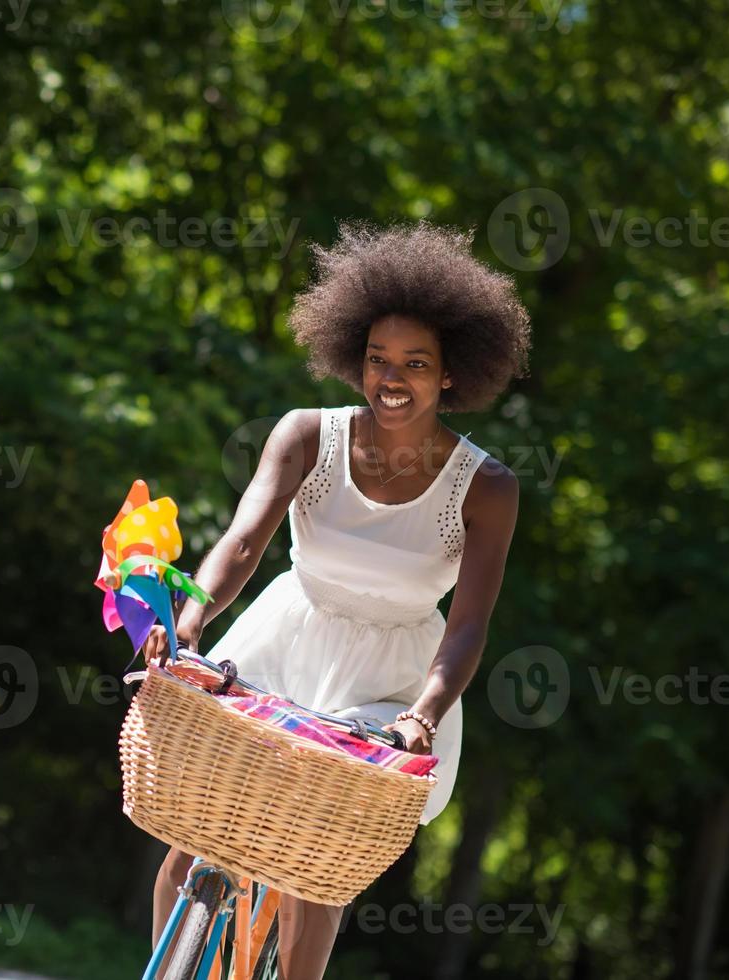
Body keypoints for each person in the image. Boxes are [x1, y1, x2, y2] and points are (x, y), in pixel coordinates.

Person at [145, 222, 531, 978]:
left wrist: (422, 712)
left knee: (313, 865)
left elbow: (468, 625)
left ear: (450, 374)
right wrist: (188, 620)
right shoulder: (303, 435)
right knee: (193, 834)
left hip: (391, 684)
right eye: (377, 359)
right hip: (284, 636)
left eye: (415, 364)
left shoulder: (486, 487)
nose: (392, 378)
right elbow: (242, 543)